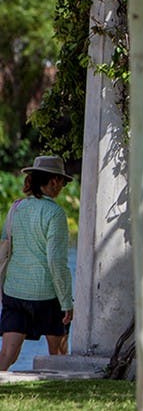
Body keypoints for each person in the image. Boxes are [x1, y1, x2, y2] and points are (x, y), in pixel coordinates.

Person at [0, 156, 75, 371]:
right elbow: (56, 261)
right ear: (53, 181)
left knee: (7, 355)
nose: (62, 186)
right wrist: (66, 303)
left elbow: (5, 248)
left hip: (15, 292)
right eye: (62, 181)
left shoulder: (16, 208)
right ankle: (60, 397)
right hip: (47, 295)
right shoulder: (55, 214)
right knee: (59, 356)